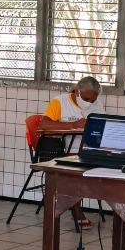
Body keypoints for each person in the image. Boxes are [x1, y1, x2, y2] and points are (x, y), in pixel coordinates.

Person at [39, 76, 102, 228]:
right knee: (78, 168)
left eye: (93, 100)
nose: (90, 103)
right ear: (77, 91)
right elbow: (44, 124)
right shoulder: (60, 102)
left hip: (87, 149)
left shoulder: (97, 105)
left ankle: (123, 219)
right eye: (86, 98)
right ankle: (76, 209)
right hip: (62, 151)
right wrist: (73, 125)